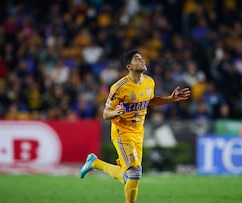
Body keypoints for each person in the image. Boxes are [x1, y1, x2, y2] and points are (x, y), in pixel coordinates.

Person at [78, 49, 190, 203]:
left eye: (142, 58)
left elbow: (149, 100)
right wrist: (115, 112)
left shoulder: (149, 81)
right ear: (129, 66)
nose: (142, 60)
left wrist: (170, 99)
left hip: (138, 133)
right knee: (135, 172)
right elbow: (105, 114)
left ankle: (95, 163)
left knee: (129, 176)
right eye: (137, 59)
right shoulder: (119, 87)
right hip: (122, 132)